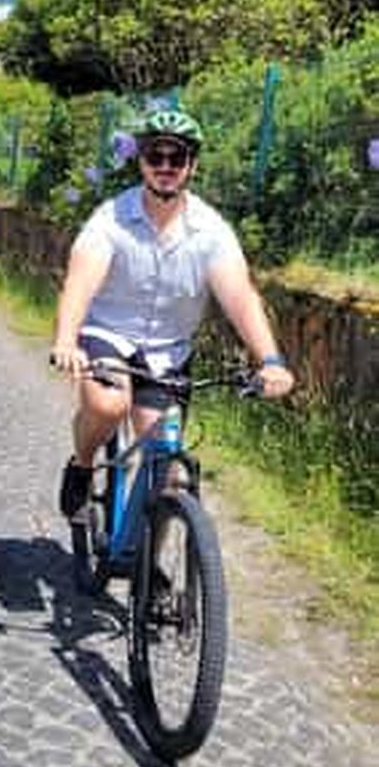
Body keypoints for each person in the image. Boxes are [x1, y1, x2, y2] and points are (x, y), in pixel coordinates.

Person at [51, 107, 295, 517]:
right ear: (141, 162)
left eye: (176, 158)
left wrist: (270, 361)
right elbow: (80, 283)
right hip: (109, 335)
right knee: (109, 405)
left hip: (169, 352)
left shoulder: (210, 231)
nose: (165, 167)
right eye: (155, 156)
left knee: (169, 474)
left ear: (191, 166)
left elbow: (240, 295)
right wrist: (65, 340)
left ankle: (149, 567)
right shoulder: (110, 219)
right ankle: (82, 464)